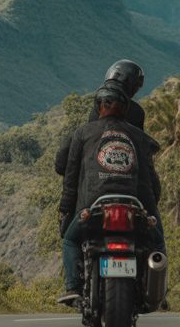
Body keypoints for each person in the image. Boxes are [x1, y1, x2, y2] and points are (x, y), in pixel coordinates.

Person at [56, 82, 165, 305]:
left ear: (99, 107)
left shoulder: (83, 133)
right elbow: (150, 183)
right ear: (125, 108)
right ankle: (157, 291)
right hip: (133, 206)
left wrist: (65, 209)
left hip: (93, 207)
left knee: (69, 240)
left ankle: (73, 287)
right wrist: (152, 213)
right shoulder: (137, 136)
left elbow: (70, 178)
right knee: (157, 243)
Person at [54, 59, 147, 177]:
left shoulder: (93, 114)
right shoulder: (137, 112)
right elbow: (141, 151)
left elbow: (61, 167)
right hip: (129, 176)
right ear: (134, 87)